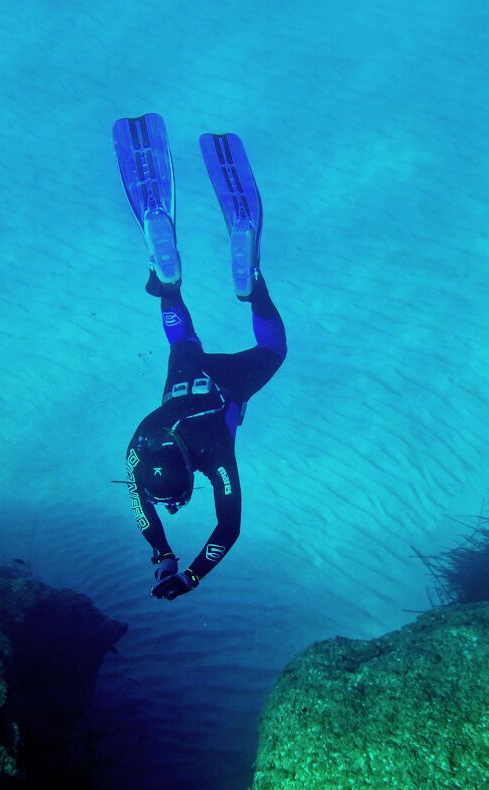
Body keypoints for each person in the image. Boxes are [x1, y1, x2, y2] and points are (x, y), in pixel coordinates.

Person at [112, 114, 287, 601]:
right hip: (186, 376)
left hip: (227, 386)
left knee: (273, 350)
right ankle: (167, 286)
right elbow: (140, 502)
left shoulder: (215, 457)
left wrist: (188, 575)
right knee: (180, 340)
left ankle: (253, 289)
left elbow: (228, 529)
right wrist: (162, 556)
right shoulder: (138, 449)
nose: (174, 507)